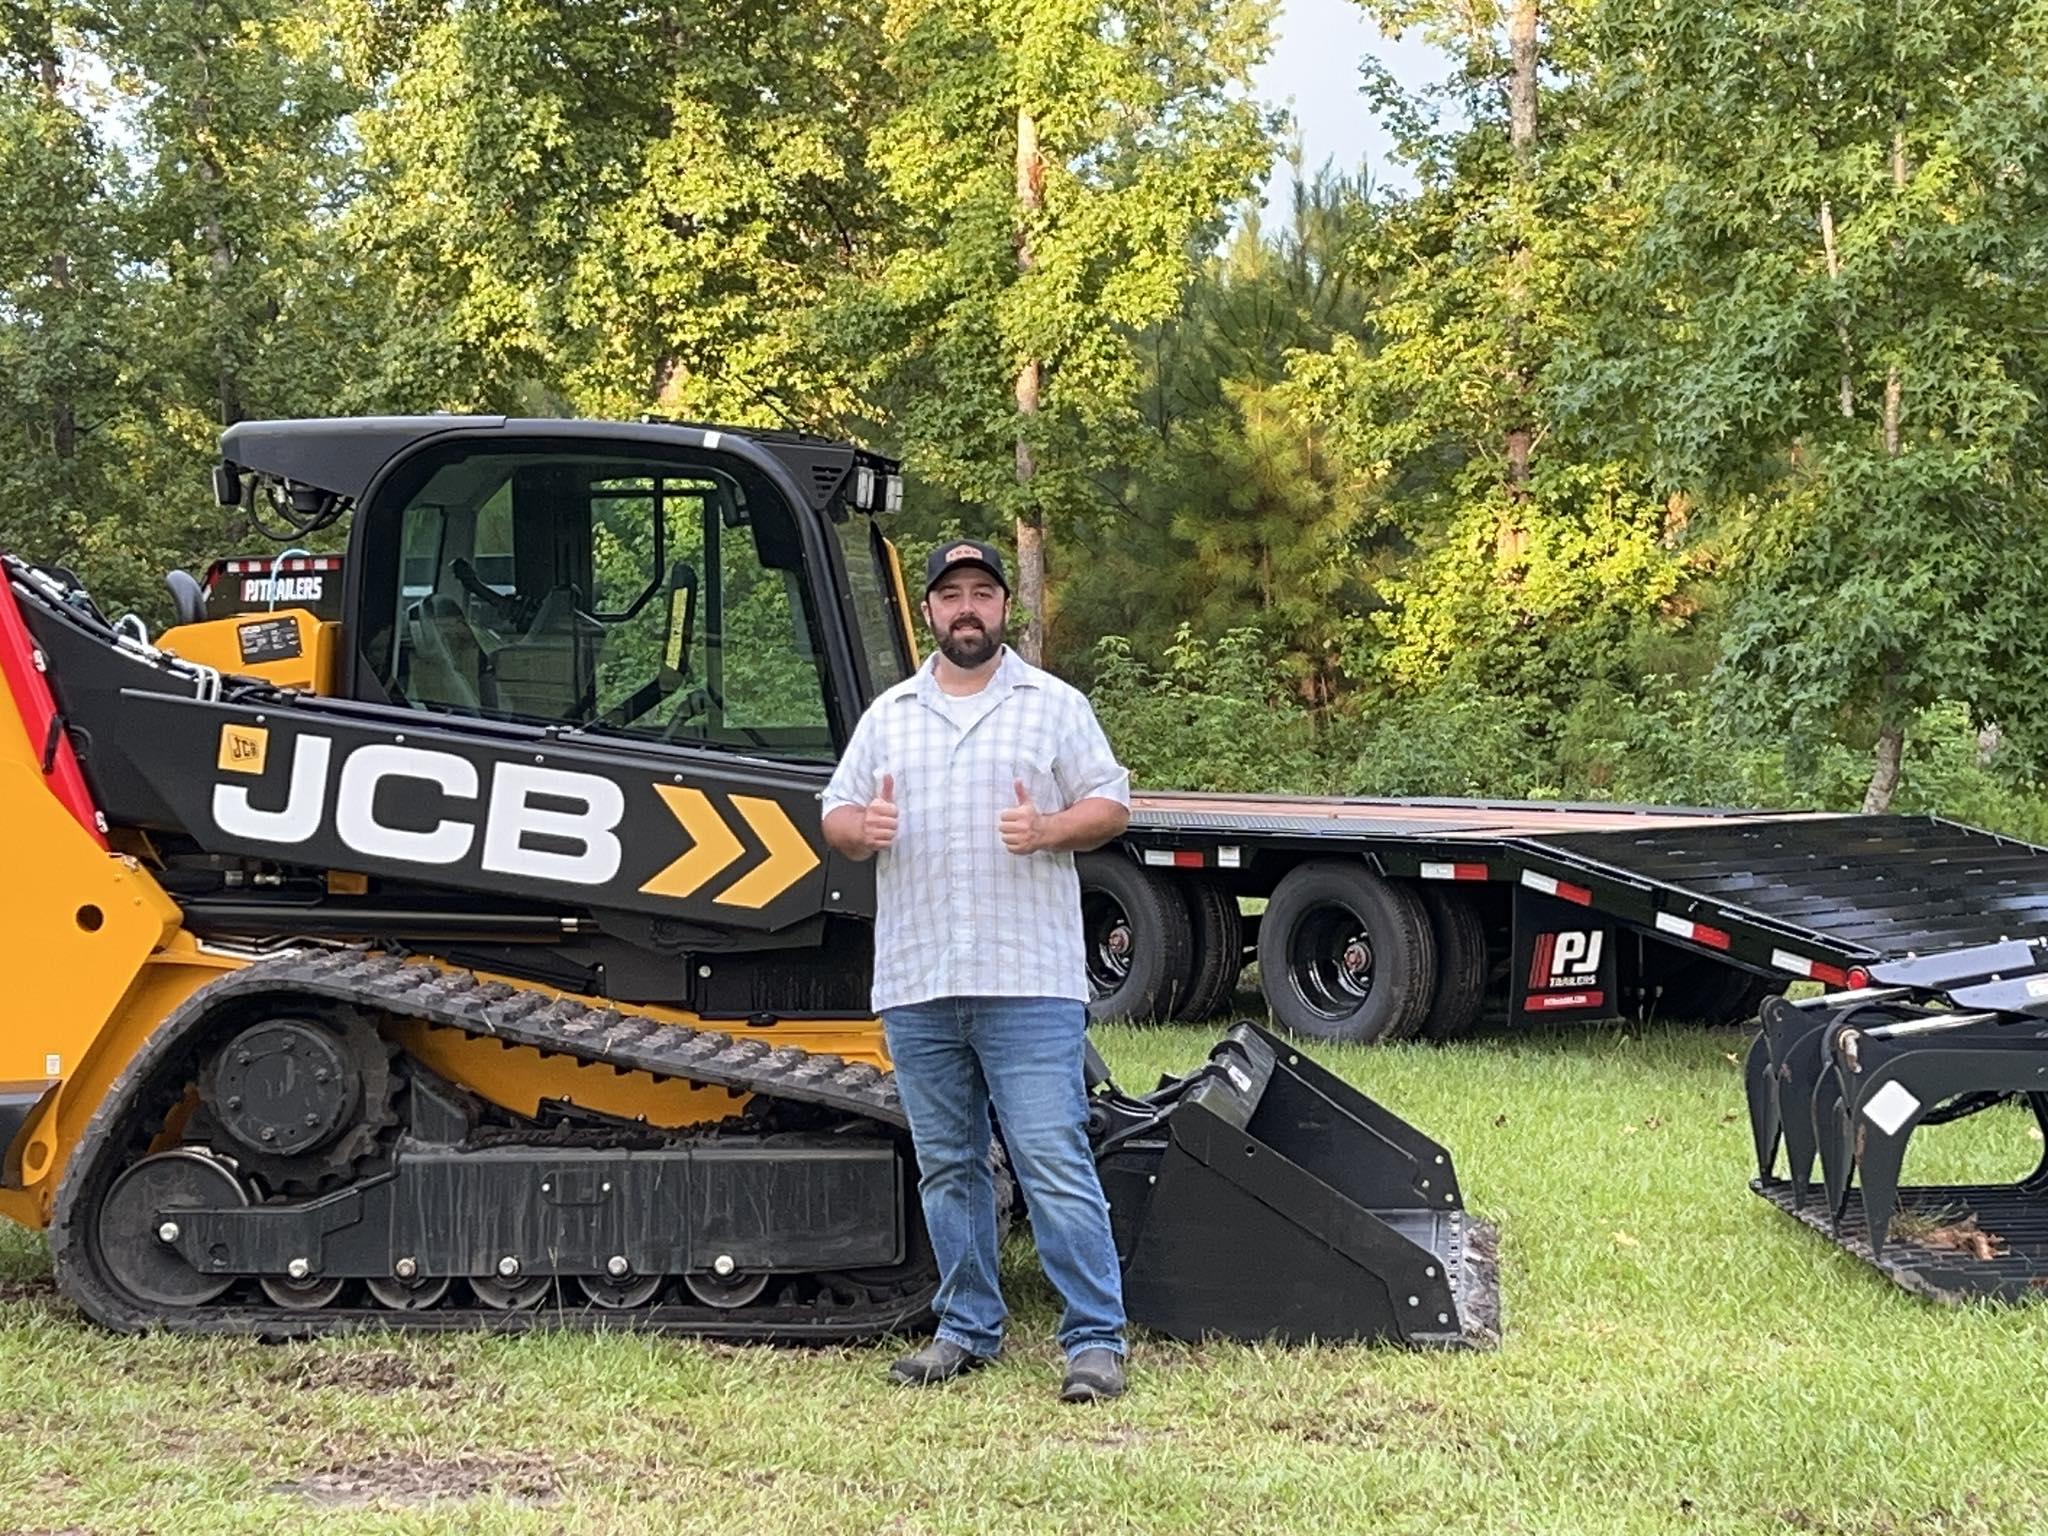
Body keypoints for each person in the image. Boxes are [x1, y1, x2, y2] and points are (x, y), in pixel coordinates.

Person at [820, 539, 1132, 1403]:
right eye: (951, 594)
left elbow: (1111, 802)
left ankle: (1095, 1340)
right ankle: (965, 1329)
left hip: (1028, 979)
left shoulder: (1053, 706)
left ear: (1004, 609)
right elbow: (836, 813)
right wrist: (861, 829)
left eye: (983, 594)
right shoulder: (889, 714)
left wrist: (1051, 831)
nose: (968, 608)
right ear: (928, 611)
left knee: (1051, 1157)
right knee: (948, 1164)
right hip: (920, 981)